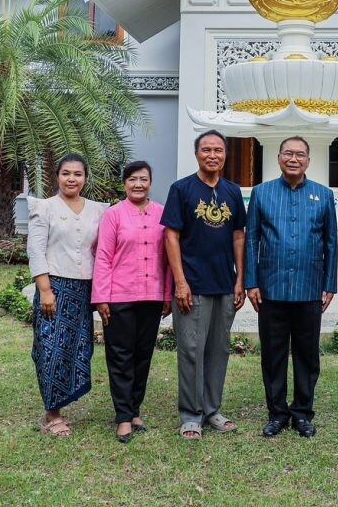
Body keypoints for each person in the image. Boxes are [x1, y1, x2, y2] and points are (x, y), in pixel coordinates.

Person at [245, 137, 338, 439]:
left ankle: (302, 413)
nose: (294, 159)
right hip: (270, 289)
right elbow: (251, 240)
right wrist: (251, 282)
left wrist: (329, 284)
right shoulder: (262, 193)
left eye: (300, 154)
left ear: (308, 161)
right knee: (273, 354)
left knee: (307, 354)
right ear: (279, 158)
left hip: (309, 288)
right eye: (288, 153)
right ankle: (277, 413)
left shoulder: (323, 196)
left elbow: (330, 243)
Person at [162, 130, 247, 440]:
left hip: (225, 284)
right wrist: (180, 283)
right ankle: (191, 415)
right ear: (197, 153)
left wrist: (240, 279)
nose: (213, 155)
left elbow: (239, 234)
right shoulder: (181, 189)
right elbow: (171, 236)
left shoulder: (232, 191)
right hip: (193, 285)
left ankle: (212, 410)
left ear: (225, 154)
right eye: (206, 150)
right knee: (191, 350)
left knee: (218, 349)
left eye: (218, 150)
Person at [27, 153, 107, 438]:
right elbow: (36, 250)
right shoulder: (44, 207)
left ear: (85, 178)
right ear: (57, 176)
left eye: (77, 174)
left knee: (78, 348)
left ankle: (63, 400)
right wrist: (45, 290)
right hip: (55, 288)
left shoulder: (98, 210)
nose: (71, 179)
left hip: (84, 289)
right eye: (66, 173)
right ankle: (52, 414)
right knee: (50, 349)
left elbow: (102, 251)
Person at [93, 161, 172, 444]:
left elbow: (168, 258)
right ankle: (123, 416)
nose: (138, 184)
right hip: (119, 297)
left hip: (152, 297)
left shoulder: (163, 213)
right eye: (132, 180)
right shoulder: (113, 215)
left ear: (151, 182)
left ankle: (135, 409)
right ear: (124, 183)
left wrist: (167, 295)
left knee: (143, 355)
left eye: (144, 179)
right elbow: (103, 256)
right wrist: (101, 298)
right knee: (120, 356)